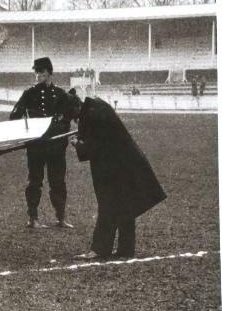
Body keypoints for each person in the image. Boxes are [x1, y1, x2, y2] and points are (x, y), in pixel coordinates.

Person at [62, 89, 166, 260]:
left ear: (76, 106)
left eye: (73, 116)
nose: (74, 120)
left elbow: (96, 147)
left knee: (107, 203)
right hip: (126, 162)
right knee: (125, 204)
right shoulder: (95, 107)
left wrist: (78, 144)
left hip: (115, 165)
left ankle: (100, 249)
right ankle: (126, 249)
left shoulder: (92, 115)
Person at [10, 56, 74, 229]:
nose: (38, 75)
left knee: (58, 182)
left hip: (56, 148)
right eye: (36, 72)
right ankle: (33, 218)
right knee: (34, 182)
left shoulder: (61, 94)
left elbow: (71, 116)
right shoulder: (29, 94)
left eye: (41, 72)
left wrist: (63, 131)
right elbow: (14, 116)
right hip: (36, 146)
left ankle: (61, 218)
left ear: (49, 72)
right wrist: (27, 131)